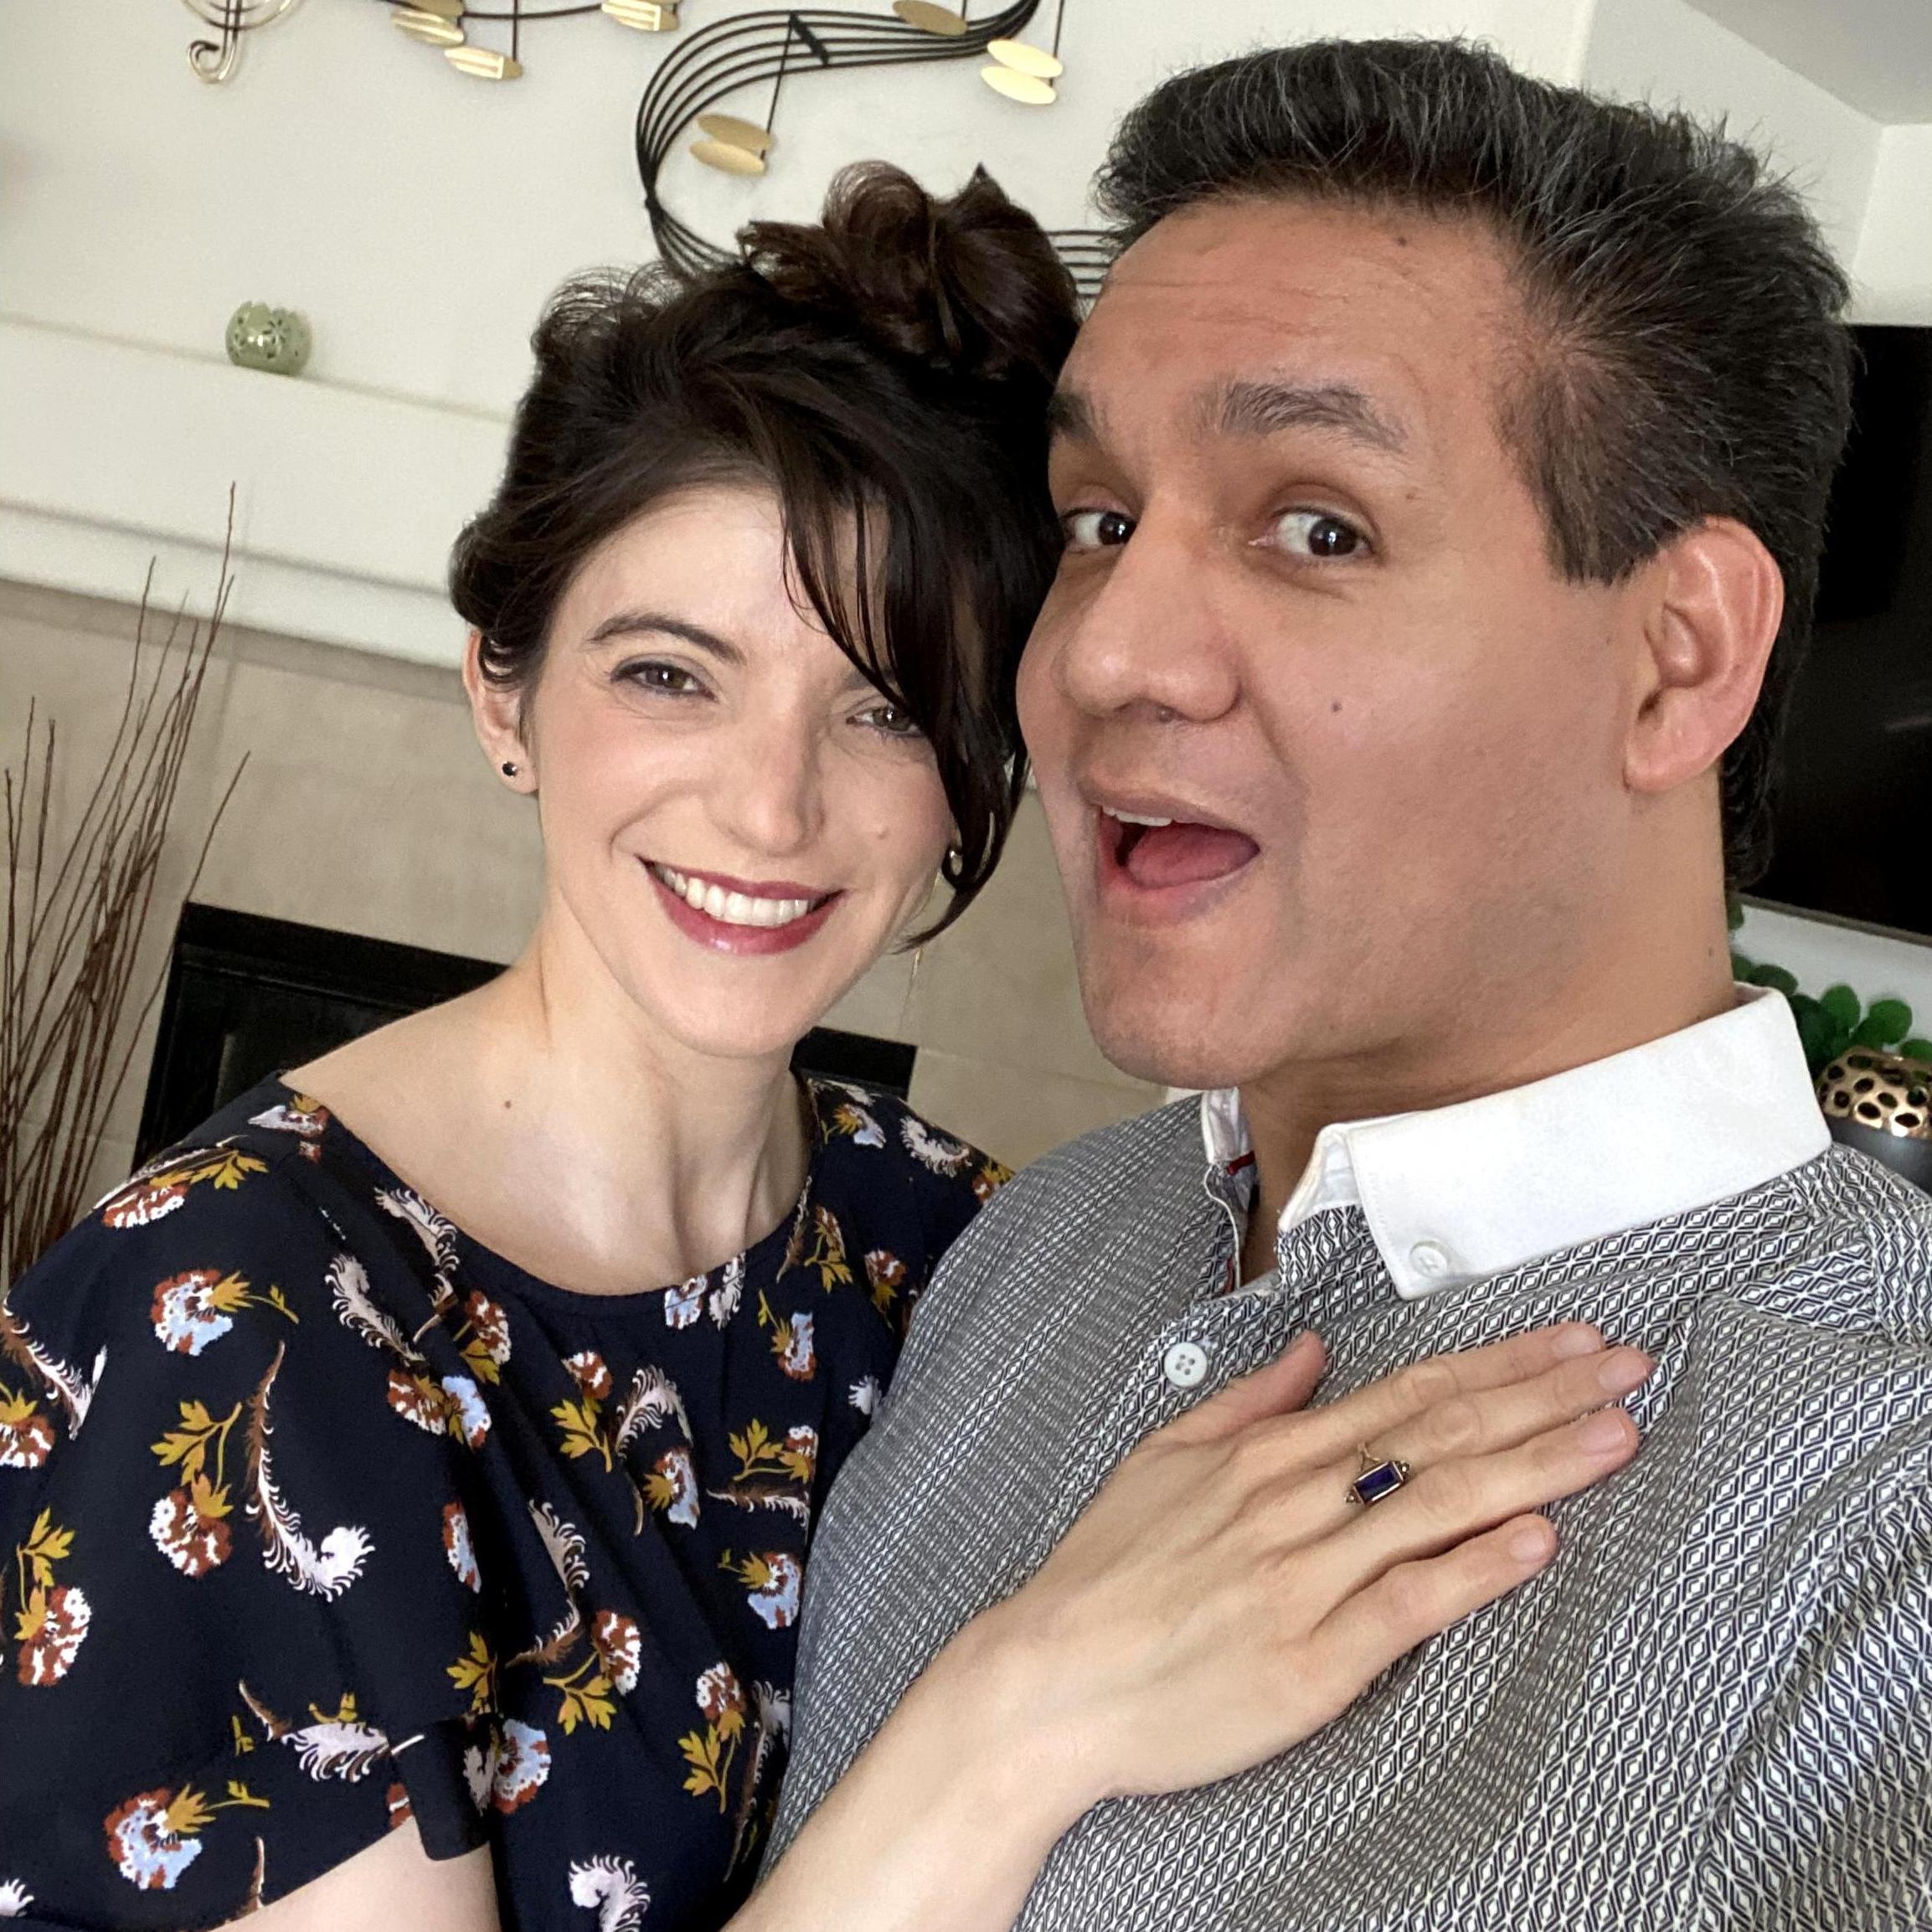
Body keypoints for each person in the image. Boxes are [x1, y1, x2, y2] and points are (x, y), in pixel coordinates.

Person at [0, 162, 1646, 1932]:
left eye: (880, 709)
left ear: (972, 771)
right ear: (502, 689)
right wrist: (1016, 1720)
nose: (772, 807)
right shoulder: (227, 1321)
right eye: (668, 674)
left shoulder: (966, 1243)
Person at [766, 38, 1932, 1931]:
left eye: (1319, 526)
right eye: (1097, 521)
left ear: (1675, 660)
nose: (1101, 656)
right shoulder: (1039, 1244)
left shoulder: (1879, 1528)